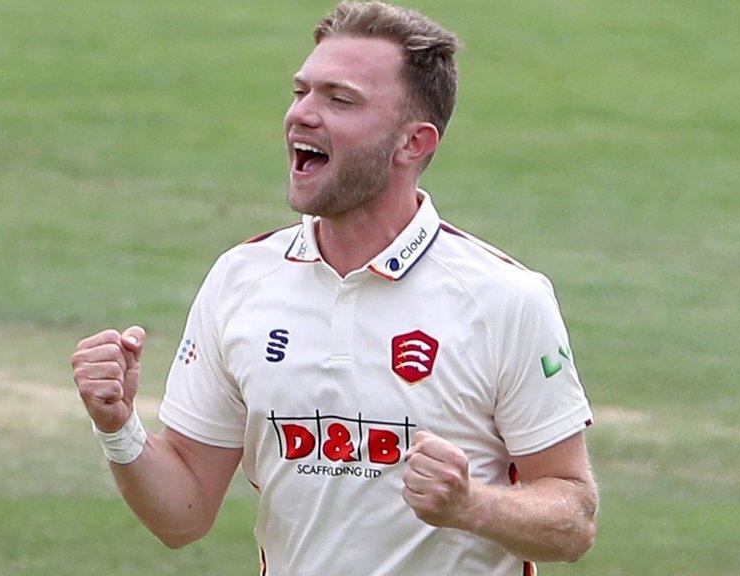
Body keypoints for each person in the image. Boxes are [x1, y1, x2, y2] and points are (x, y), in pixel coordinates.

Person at [71, 2, 598, 574]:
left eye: (339, 99)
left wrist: (472, 506)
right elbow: (183, 515)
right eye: (302, 92)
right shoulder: (242, 279)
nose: (302, 115)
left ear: (413, 143)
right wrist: (119, 427)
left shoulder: (504, 298)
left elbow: (572, 521)